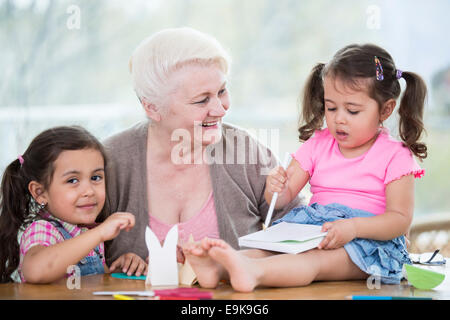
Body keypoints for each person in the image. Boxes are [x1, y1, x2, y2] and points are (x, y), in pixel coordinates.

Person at [183, 43, 427, 292]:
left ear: (386, 109)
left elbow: (399, 220)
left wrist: (353, 229)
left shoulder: (396, 156)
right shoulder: (318, 144)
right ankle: (218, 269)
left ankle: (253, 273)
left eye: (352, 110)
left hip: (369, 244)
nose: (339, 118)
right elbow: (281, 199)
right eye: (331, 108)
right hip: (317, 231)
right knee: (268, 250)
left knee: (313, 262)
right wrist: (274, 187)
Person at [103, 27, 303, 274]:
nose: (220, 109)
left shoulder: (244, 150)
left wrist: (244, 261)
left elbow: (299, 230)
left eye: (222, 91)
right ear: (152, 107)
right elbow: (70, 246)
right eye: (201, 100)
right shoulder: (109, 161)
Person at [0, 126, 142, 283]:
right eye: (72, 180)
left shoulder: (86, 233)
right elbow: (35, 271)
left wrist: (117, 270)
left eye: (95, 177)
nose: (89, 191)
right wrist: (99, 233)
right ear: (40, 193)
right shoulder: (43, 229)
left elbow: (92, 282)